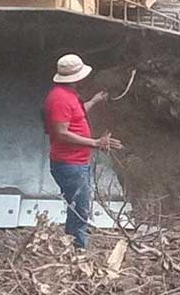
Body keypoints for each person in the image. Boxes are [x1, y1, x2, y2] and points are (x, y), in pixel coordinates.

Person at [44, 54, 122, 249]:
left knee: (79, 203)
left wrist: (94, 101)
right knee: (80, 205)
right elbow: (61, 133)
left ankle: (74, 239)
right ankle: (78, 247)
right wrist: (95, 143)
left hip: (77, 162)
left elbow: (75, 115)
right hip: (69, 164)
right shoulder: (60, 99)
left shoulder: (68, 95)